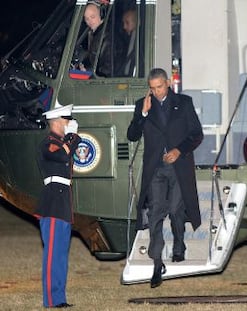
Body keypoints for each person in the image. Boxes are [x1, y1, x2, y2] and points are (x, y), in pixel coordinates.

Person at [127, 68, 204, 288]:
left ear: (168, 83)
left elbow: (196, 134)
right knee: (156, 212)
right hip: (155, 168)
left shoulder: (184, 102)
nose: (156, 91)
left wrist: (179, 150)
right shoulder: (143, 104)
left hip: (178, 166)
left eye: (159, 86)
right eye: (152, 88)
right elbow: (132, 135)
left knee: (176, 210)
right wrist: (142, 114)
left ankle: (179, 244)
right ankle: (157, 262)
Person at [35, 102, 81, 308]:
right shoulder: (48, 143)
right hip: (53, 204)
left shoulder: (60, 142)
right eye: (66, 120)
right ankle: (52, 300)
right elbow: (61, 155)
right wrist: (73, 137)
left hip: (62, 204)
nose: (68, 123)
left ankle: (60, 298)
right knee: (53, 254)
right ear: (55, 122)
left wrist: (71, 139)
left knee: (61, 255)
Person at [81, 2, 114, 77]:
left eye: (92, 17)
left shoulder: (107, 36)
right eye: (86, 19)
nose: (89, 22)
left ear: (101, 15)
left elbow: (108, 69)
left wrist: (88, 72)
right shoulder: (95, 33)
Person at [120, 9, 138, 76]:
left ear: (136, 22)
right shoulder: (125, 39)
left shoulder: (140, 42)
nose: (124, 27)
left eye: (127, 23)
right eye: (123, 23)